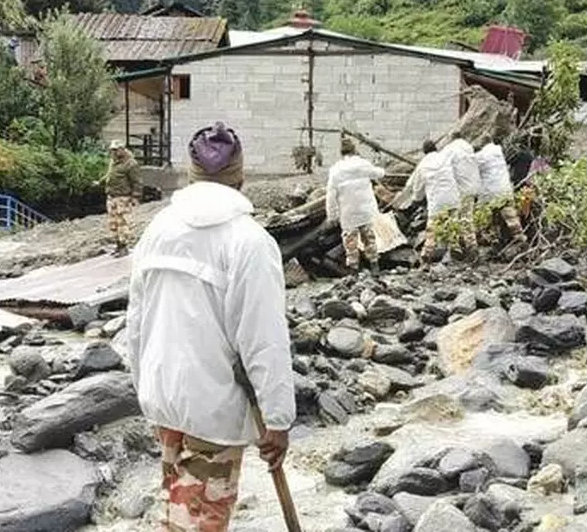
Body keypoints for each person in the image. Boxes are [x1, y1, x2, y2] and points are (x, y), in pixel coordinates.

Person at [126, 122, 296, 532]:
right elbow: (263, 338)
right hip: (213, 405)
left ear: (191, 174)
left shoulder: (158, 231)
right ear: (240, 175)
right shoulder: (249, 241)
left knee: (179, 507)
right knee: (200, 518)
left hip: (163, 394)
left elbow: (137, 322)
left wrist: (144, 386)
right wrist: (278, 419)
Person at [392, 140, 462, 264]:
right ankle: (455, 251)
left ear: (424, 152)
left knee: (432, 231)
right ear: (435, 148)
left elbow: (415, 187)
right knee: (453, 225)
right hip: (452, 197)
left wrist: (415, 200)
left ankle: (426, 255)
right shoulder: (445, 157)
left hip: (436, 201)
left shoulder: (423, 165)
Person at [326, 137, 384, 271]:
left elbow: (331, 195)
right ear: (354, 150)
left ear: (341, 153)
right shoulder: (362, 163)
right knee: (369, 238)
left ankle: (353, 270)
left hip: (348, 211)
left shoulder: (335, 169)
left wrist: (332, 215)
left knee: (350, 241)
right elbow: (380, 174)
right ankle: (375, 265)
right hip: (365, 208)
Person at [475, 142, 527, 250]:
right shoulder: (498, 152)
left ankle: (490, 241)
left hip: (489, 193)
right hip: (505, 190)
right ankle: (520, 238)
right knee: (511, 217)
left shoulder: (479, 157)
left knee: (484, 218)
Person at [442, 138, 481, 261]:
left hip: (457, 190)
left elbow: (444, 169)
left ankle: (455, 247)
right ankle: (472, 246)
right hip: (471, 190)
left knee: (453, 218)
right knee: (467, 218)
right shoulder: (469, 150)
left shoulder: (449, 150)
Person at [104, 141, 141, 256]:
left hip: (123, 198)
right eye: (112, 150)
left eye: (116, 150)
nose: (113, 152)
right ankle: (118, 245)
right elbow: (109, 175)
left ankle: (124, 247)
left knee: (123, 223)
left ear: (122, 149)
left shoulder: (131, 164)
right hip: (112, 197)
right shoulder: (113, 162)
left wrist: (135, 197)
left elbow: (137, 182)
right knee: (113, 224)